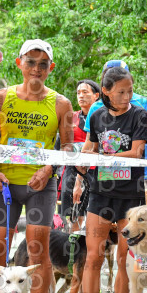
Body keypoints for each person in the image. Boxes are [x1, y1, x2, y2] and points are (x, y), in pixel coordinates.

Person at [0, 39, 74, 293]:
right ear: (19, 63)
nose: (36, 68)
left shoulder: (61, 103)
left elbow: (69, 146)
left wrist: (49, 169)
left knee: (37, 250)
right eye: (30, 62)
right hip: (4, 185)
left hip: (41, 186)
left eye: (43, 63)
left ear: (51, 67)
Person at [78, 66, 147, 293]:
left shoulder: (139, 115)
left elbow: (136, 152)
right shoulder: (96, 116)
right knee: (94, 256)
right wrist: (82, 157)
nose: (126, 95)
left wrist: (104, 157)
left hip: (130, 199)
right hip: (99, 194)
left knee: (125, 258)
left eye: (130, 90)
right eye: (120, 91)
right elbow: (90, 146)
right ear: (105, 91)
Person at [61, 79, 100, 231]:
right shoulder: (71, 117)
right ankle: (72, 248)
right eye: (78, 93)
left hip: (94, 169)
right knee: (73, 213)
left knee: (94, 214)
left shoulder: (103, 116)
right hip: (72, 169)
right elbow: (62, 144)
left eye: (85, 92)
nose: (81, 96)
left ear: (96, 95)